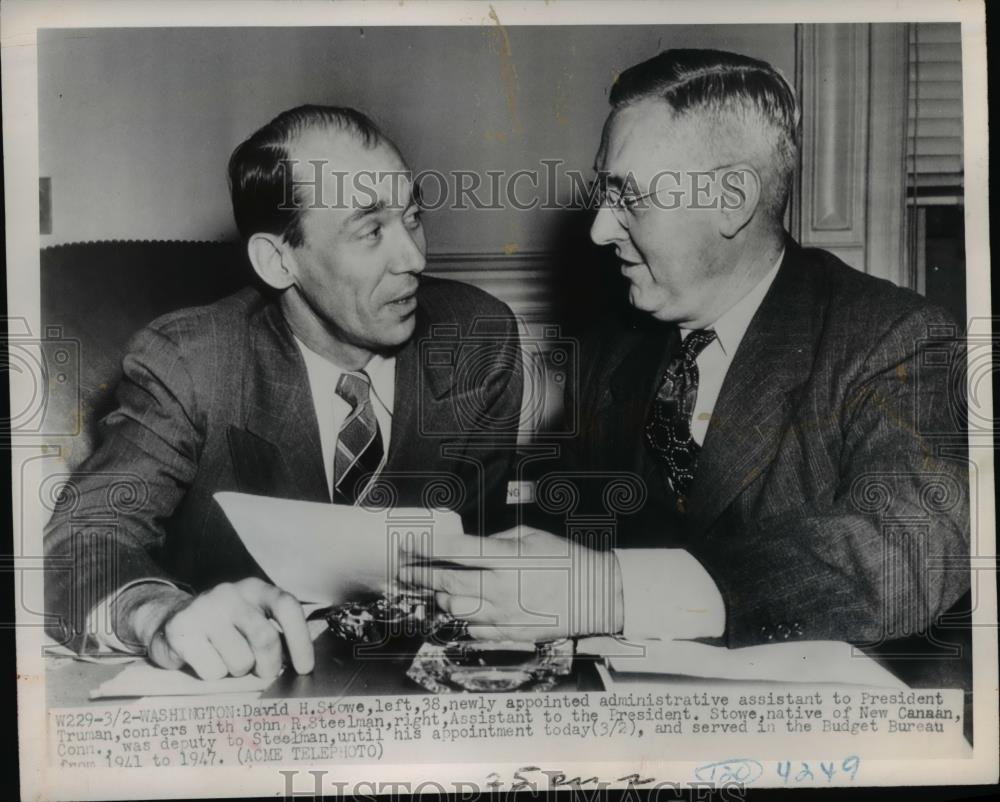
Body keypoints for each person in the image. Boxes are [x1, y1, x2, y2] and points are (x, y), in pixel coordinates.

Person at [402, 49, 970, 651]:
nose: (599, 229)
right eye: (603, 193)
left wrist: (610, 591)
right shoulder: (611, 352)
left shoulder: (897, 339)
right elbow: (581, 540)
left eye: (629, 198)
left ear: (732, 199)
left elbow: (911, 547)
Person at [44, 105, 523, 679]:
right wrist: (158, 614)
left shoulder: (477, 339)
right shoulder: (193, 361)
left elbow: (484, 553)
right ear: (278, 261)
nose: (415, 258)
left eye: (413, 217)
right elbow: (82, 539)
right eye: (371, 230)